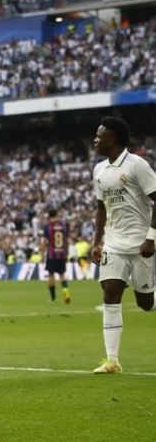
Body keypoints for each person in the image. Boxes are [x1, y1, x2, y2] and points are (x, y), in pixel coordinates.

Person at [90, 116, 156, 374]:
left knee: (145, 303)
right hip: (114, 243)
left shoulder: (136, 165)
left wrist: (152, 236)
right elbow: (100, 208)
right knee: (110, 291)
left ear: (112, 138)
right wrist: (97, 242)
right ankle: (112, 360)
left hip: (141, 243)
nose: (95, 140)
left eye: (99, 136)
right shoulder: (99, 170)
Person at [40, 210, 71, 304]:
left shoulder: (47, 226)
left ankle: (53, 299)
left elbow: (44, 243)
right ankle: (65, 290)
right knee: (62, 275)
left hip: (51, 254)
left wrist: (42, 255)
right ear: (56, 215)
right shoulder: (63, 225)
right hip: (62, 254)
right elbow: (67, 241)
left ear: (49, 216)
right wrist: (67, 253)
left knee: (51, 275)